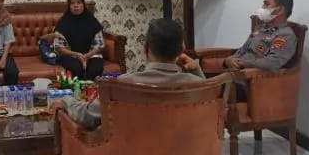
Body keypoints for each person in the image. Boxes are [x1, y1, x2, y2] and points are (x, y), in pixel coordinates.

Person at [50, 18, 204, 129]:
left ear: (146, 48)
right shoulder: (198, 86)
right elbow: (213, 107)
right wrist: (196, 70)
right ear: (181, 49)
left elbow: (87, 117)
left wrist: (66, 101)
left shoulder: (121, 85)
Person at [223, 0, 298, 72]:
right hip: (234, 69)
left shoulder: (285, 35)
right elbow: (243, 50)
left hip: (249, 74)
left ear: (280, 10)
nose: (262, 8)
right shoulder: (260, 28)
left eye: (266, 4)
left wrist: (242, 63)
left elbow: (272, 62)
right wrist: (229, 59)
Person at [53, 0, 105, 80]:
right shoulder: (63, 23)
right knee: (76, 68)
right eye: (72, 3)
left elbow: (100, 46)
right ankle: (77, 88)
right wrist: (78, 55)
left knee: (95, 69)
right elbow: (59, 47)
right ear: (69, 6)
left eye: (79, 3)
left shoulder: (92, 22)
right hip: (70, 55)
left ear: (83, 5)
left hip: (91, 55)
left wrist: (86, 57)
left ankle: (90, 89)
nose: (76, 6)